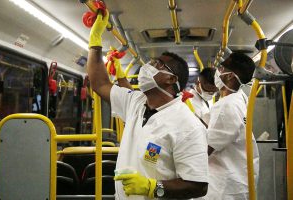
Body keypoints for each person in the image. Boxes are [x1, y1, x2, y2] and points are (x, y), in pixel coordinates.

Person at [87, 10, 208, 199]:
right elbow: (100, 83)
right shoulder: (135, 102)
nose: (147, 67)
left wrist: (153, 187)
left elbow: (198, 186)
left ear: (171, 79)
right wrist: (95, 42)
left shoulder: (188, 126)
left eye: (157, 65)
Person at [201, 52, 259, 200]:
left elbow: (205, 149)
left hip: (224, 187)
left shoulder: (226, 106)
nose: (217, 72)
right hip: (238, 178)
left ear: (230, 76)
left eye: (221, 68)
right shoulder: (239, 98)